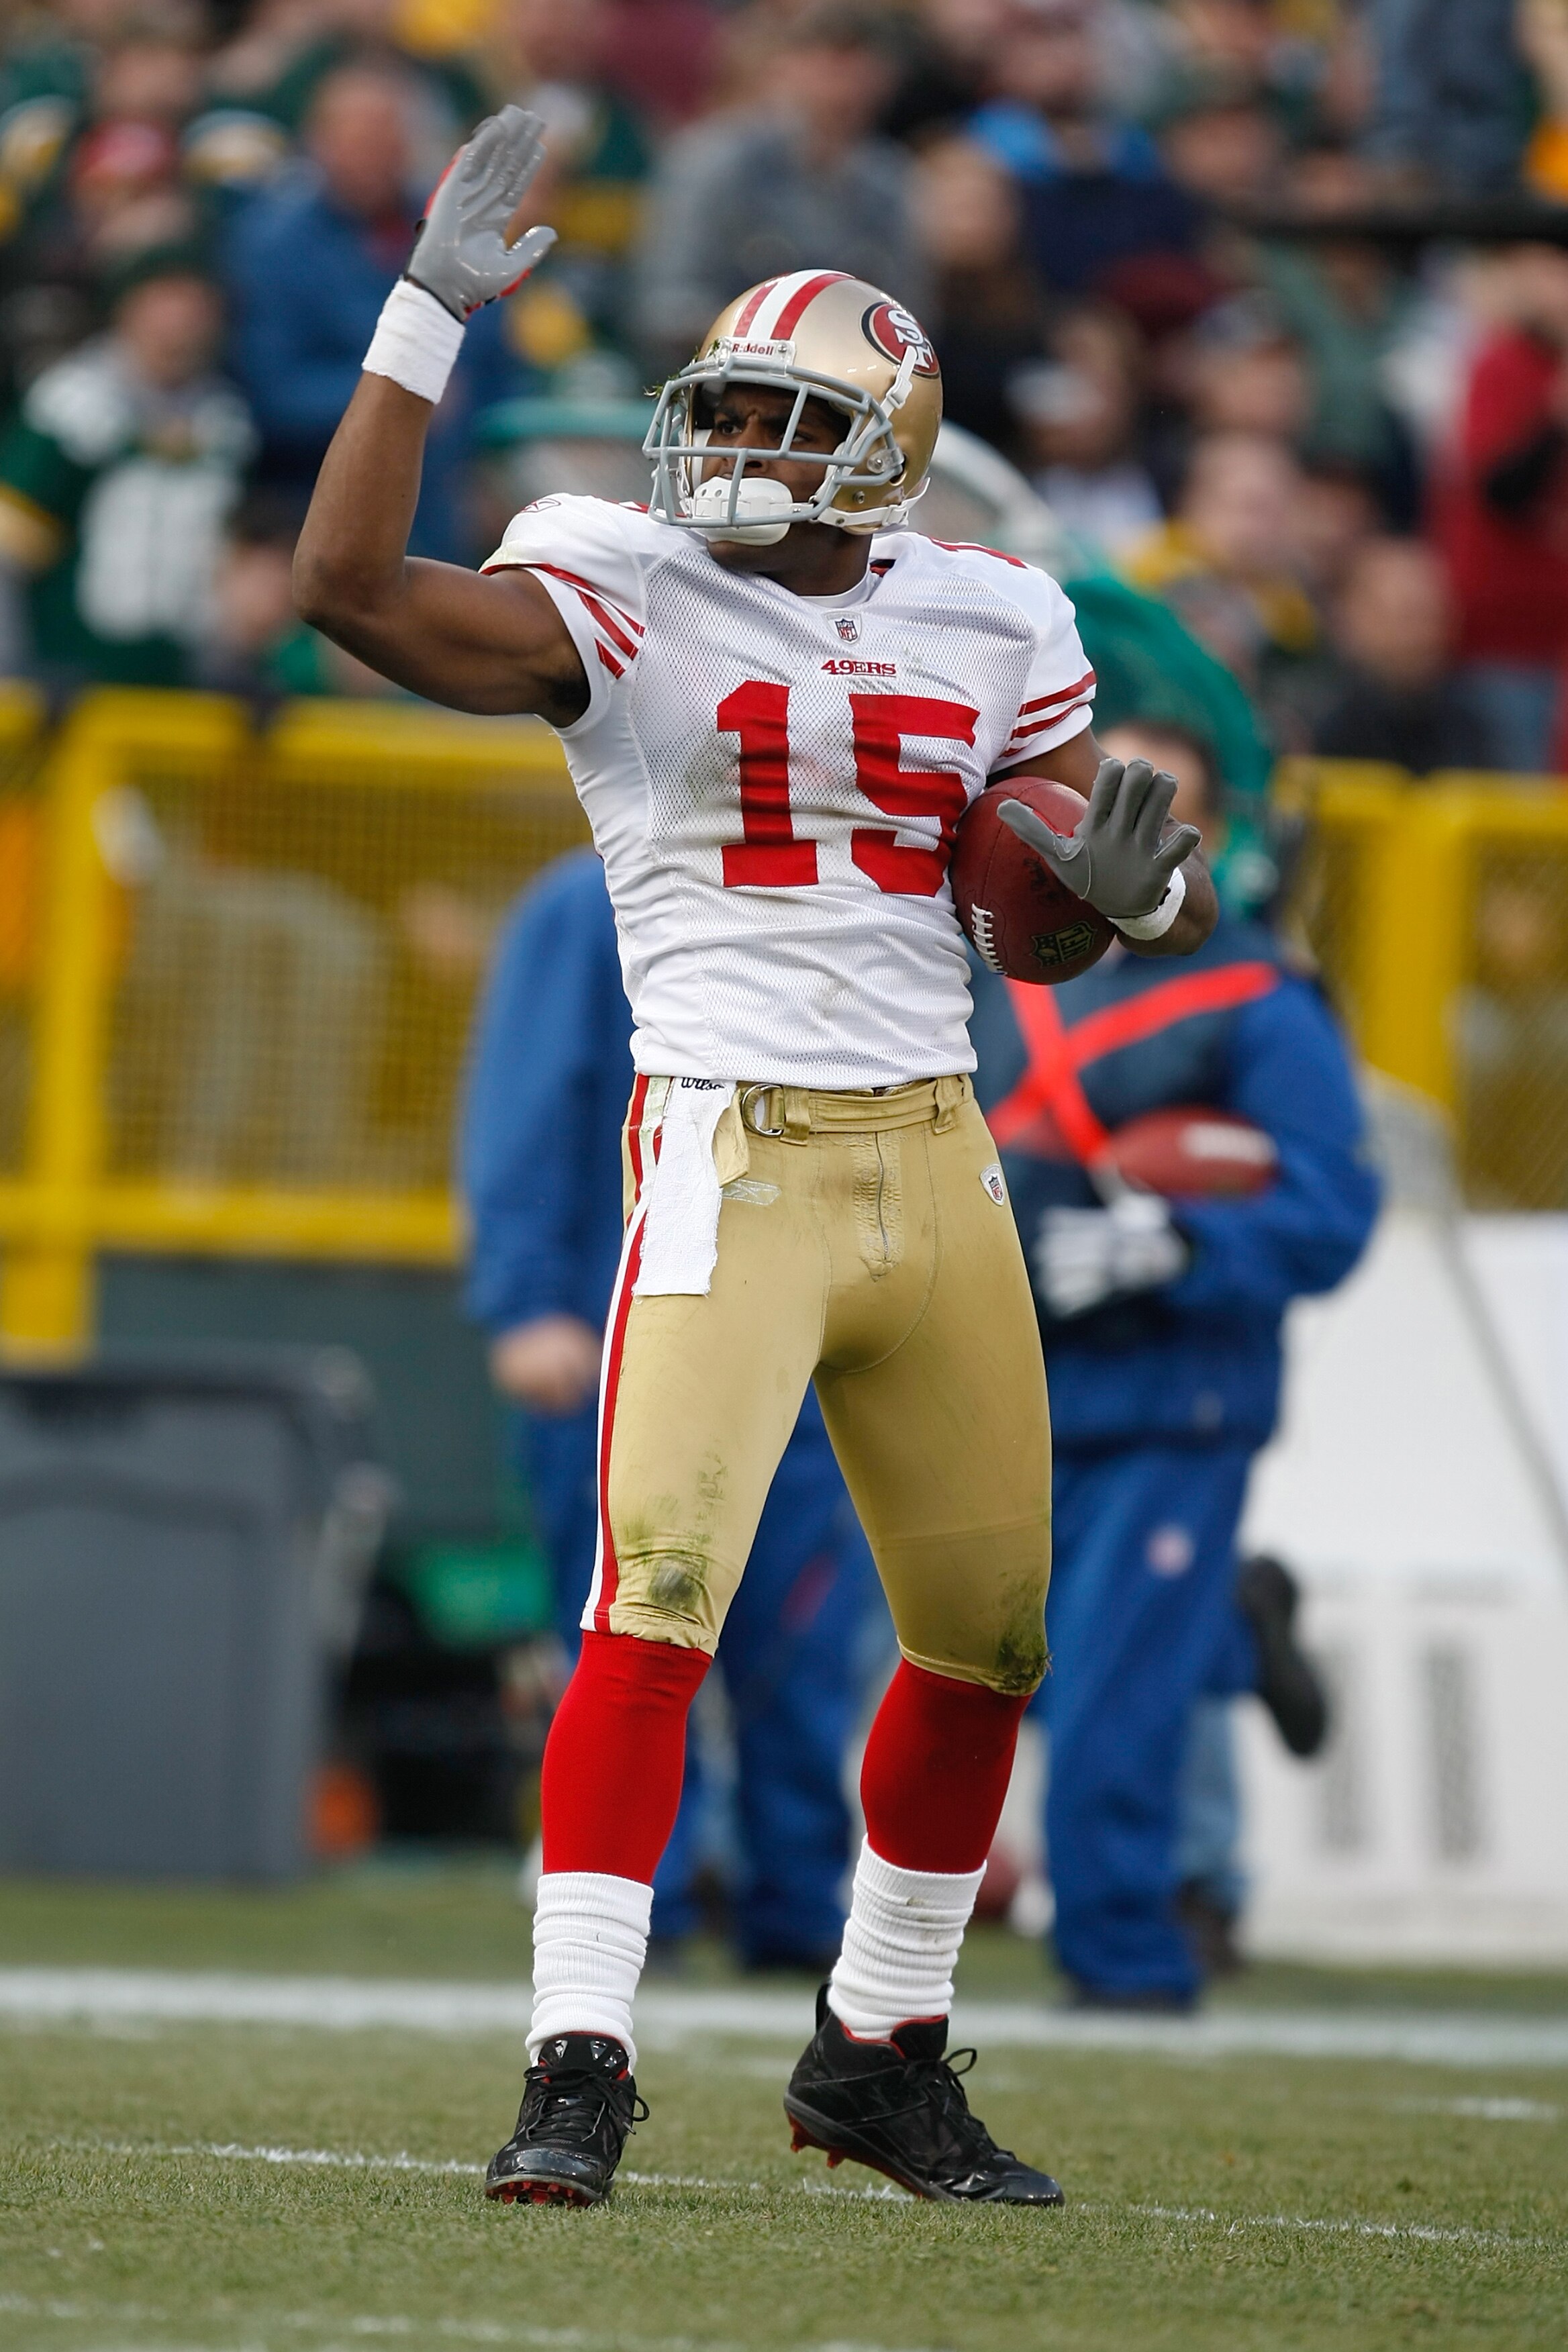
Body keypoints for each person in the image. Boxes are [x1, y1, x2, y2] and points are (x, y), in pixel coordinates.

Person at [293, 103, 1218, 2210]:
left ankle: (880, 2043)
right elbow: (345, 589)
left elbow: (1055, 906)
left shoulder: (998, 611)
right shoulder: (617, 581)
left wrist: (1132, 902)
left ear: (888, 453)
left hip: (937, 1154)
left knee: (986, 1632)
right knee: (657, 1602)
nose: (733, 451)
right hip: (733, 1147)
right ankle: (578, 2056)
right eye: (721, 409)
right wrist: (423, 317)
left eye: (788, 422)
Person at [967, 718, 1379, 2007]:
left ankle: (1124, 1955)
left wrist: (1184, 1243)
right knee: (1023, 1673)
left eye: (1156, 809)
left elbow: (1332, 1207)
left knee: (1108, 1695)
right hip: (1007, 1380)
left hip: (1173, 1390)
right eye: (1089, 797)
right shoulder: (986, 969)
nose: (1109, 831)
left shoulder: (1256, 993)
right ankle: (1232, 1627)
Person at [462, 847, 879, 1971]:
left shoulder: (835, 888)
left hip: (796, 1344)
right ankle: (637, 1907)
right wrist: (528, 1300)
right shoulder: (586, 900)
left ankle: (797, 1909)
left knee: (801, 1644)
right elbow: (524, 1102)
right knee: (632, 1637)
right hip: (628, 1338)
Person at [224, 60, 523, 565]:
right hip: (313, 506)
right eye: (361, 139)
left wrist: (490, 466)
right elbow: (271, 395)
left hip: (448, 498)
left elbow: (497, 365)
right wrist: (399, 391)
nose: (380, 154)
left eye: (392, 136)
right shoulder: (273, 244)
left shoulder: (451, 232)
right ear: (318, 144)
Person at [0, 251, 253, 687]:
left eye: (198, 308)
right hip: (67, 680)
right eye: (166, 302)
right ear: (126, 309)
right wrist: (15, 670)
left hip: (185, 681)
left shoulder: (227, 422)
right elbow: (10, 547)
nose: (182, 324)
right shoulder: (70, 409)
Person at [630, 4, 924, 376]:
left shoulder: (892, 181)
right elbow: (665, 308)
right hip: (722, 384)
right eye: (830, 65)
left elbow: (910, 322)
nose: (845, 88)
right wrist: (787, 344)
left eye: (860, 67)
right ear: (785, 68)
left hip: (851, 390)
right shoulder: (713, 163)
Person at [1313, 536, 1496, 773]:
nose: (1423, 634)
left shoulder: (1470, 724)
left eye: (1432, 615)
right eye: (1407, 616)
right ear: (1353, 618)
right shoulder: (1319, 723)